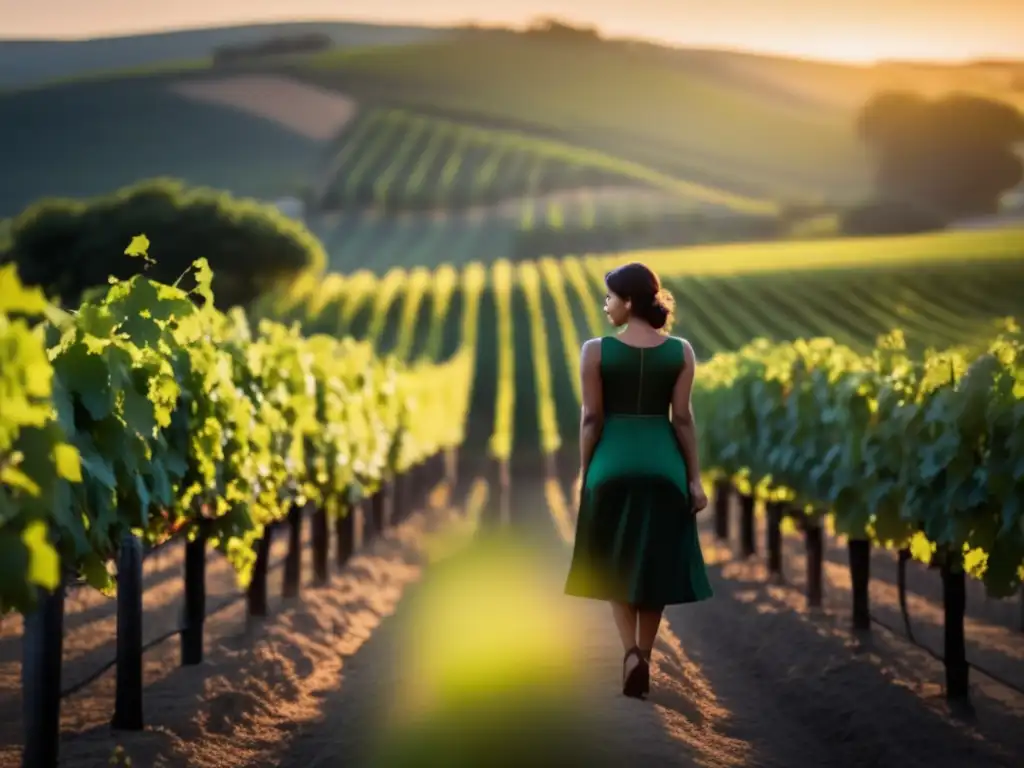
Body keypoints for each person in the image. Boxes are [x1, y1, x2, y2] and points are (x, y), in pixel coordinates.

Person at [563, 261, 713, 699]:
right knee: (656, 564)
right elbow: (682, 419)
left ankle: (628, 651)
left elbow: (592, 419)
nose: (605, 304)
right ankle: (645, 654)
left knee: (616, 559)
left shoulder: (595, 351)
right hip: (664, 469)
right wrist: (695, 480)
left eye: (610, 297)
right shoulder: (681, 351)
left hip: (613, 466)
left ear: (629, 302)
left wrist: (586, 472)